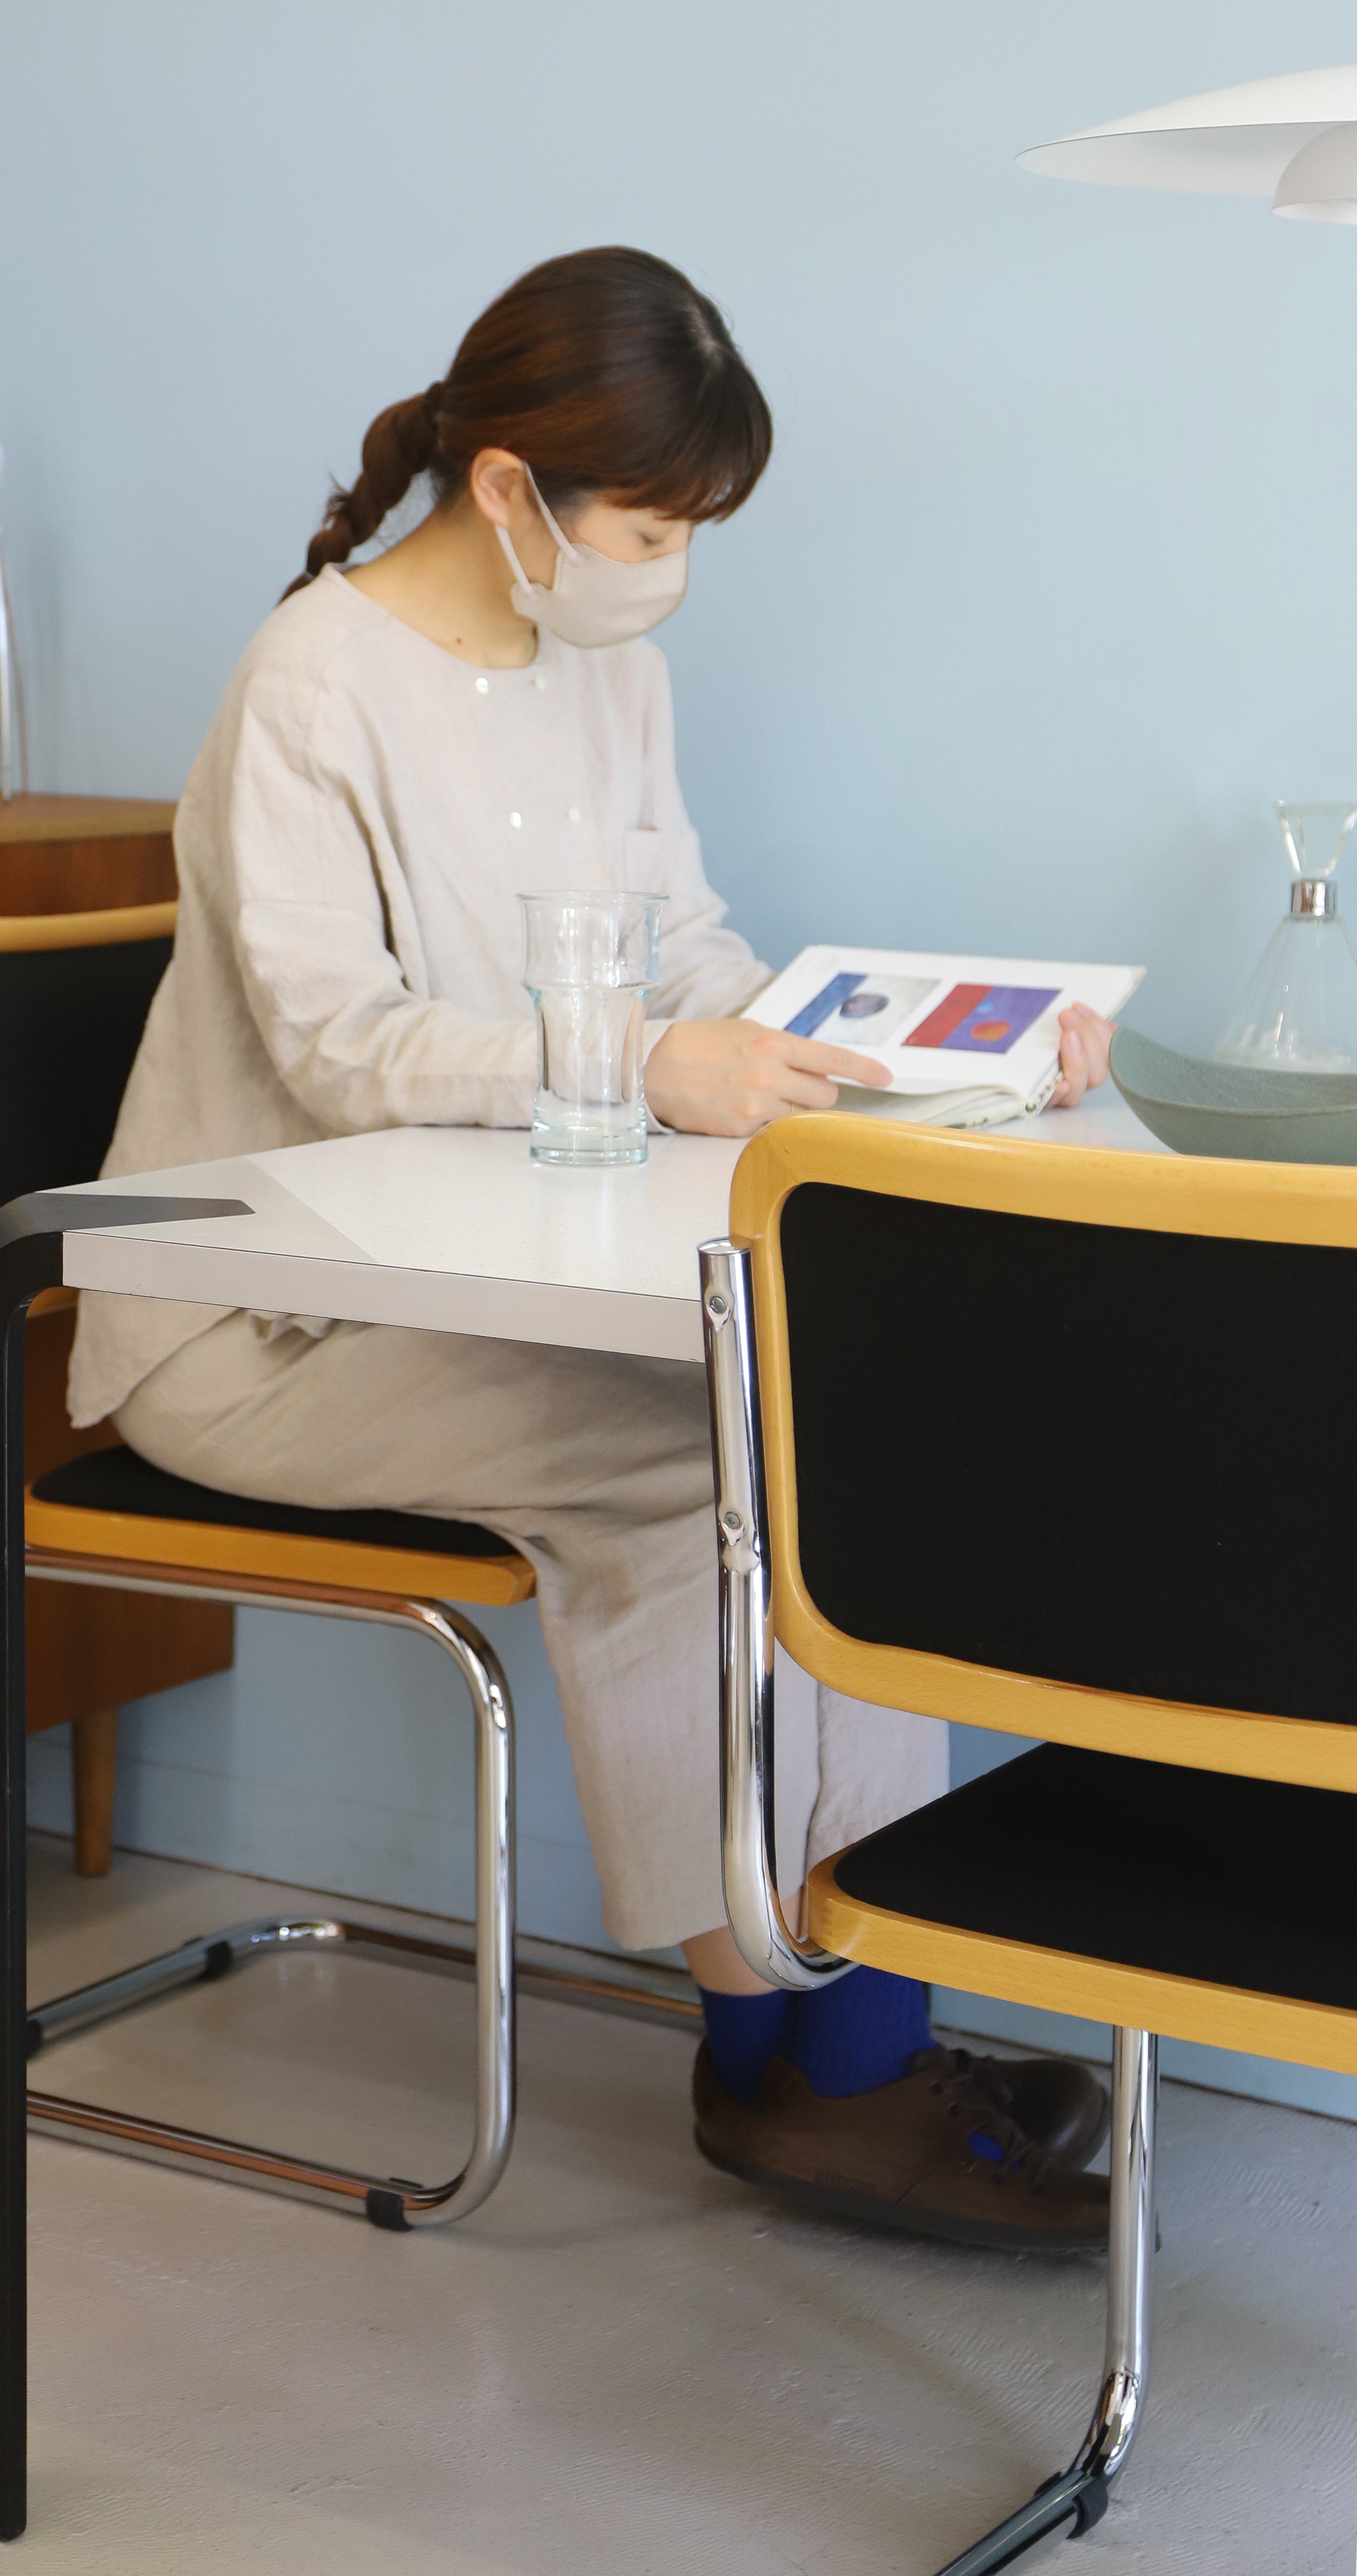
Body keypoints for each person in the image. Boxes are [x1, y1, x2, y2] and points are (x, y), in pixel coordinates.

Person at [69, 247, 1117, 2247]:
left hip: (470, 1281)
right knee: (717, 1465)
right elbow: (340, 1046)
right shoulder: (313, 684)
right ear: (510, 494)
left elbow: (694, 950)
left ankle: (820, 2048)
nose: (671, 573)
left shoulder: (607, 671)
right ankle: (828, 2069)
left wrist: (915, 1056)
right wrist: (652, 1055)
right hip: (250, 1321)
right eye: (650, 527)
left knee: (830, 1438)